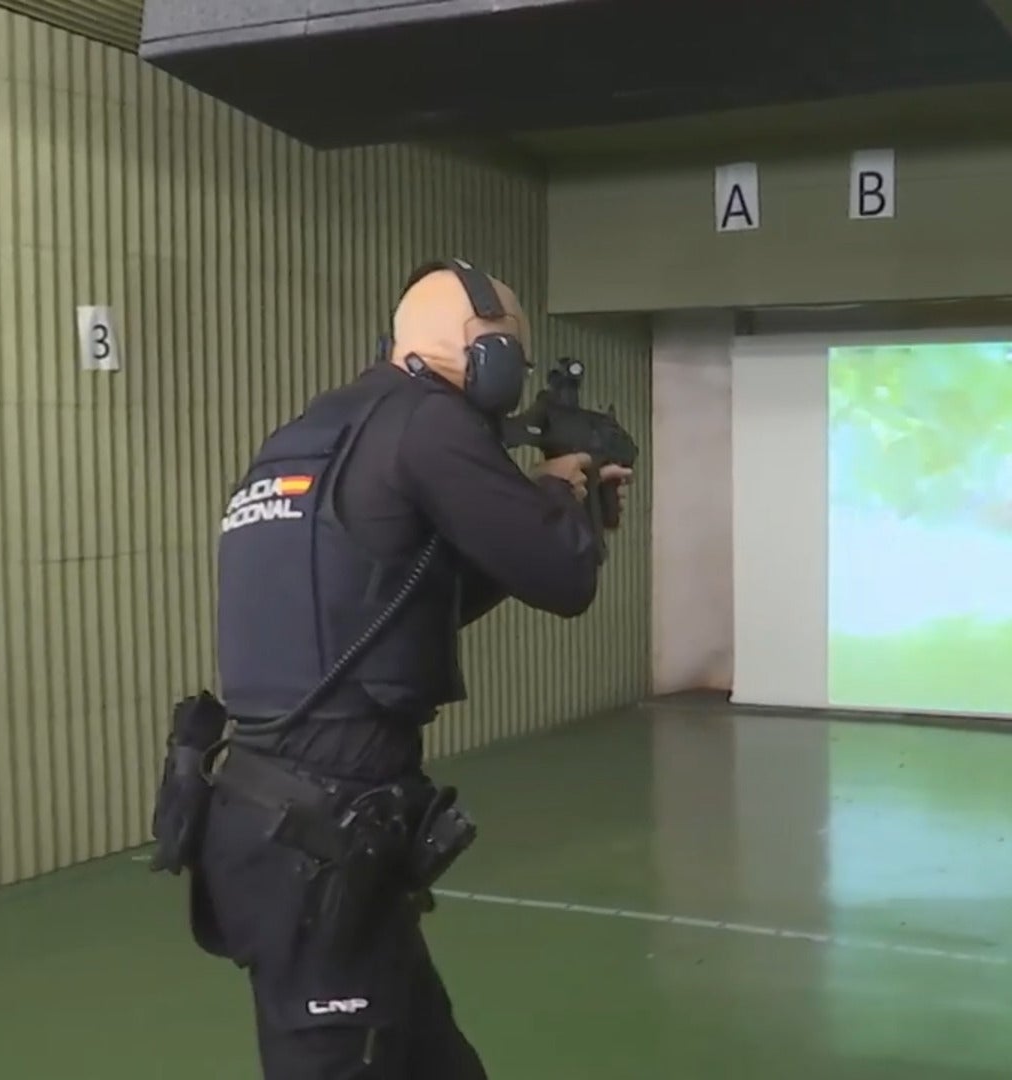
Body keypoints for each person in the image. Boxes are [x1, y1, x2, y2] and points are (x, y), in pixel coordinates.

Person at [190, 258, 629, 1078]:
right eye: (511, 351)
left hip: (292, 818)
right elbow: (564, 580)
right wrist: (559, 498)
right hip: (323, 837)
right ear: (488, 353)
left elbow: (404, 602)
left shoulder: (313, 434)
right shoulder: (431, 424)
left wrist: (542, 505)